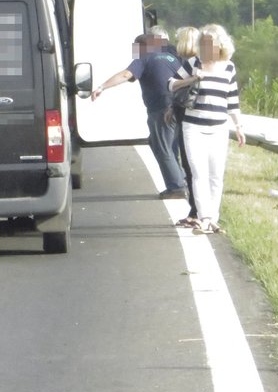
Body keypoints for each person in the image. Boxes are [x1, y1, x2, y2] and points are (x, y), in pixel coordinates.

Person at [90, 26, 187, 199]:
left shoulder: (145, 58)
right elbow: (185, 78)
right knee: (168, 146)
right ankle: (181, 179)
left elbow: (126, 75)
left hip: (160, 109)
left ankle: (176, 187)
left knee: (163, 148)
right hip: (178, 107)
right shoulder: (172, 58)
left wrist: (102, 86)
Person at [168, 23, 245, 235]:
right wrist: (194, 78)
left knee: (216, 175)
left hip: (219, 127)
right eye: (203, 43)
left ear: (220, 45)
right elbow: (171, 84)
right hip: (193, 126)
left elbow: (232, 99)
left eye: (210, 44)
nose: (206, 48)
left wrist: (238, 126)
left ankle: (214, 219)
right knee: (198, 173)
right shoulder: (193, 62)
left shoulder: (229, 67)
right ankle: (204, 218)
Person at [169, 26, 201, 228]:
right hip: (186, 114)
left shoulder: (193, 62)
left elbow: (173, 85)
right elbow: (172, 85)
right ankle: (196, 209)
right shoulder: (191, 63)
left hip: (190, 116)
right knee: (191, 164)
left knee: (191, 163)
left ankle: (197, 210)